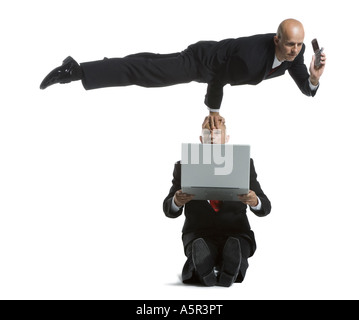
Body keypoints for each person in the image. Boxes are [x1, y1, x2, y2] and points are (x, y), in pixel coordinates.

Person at [40, 19, 326, 125]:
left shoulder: (298, 53)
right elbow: (219, 79)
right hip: (202, 62)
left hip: (215, 60)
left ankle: (100, 65)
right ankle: (74, 71)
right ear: (277, 40)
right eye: (290, 44)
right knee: (146, 75)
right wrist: (213, 112)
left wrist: (313, 79)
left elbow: (303, 82)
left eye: (299, 44)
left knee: (147, 65)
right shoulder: (252, 59)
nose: (295, 50)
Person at [162, 116, 271, 287]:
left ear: (226, 139)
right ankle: (206, 268)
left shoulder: (244, 164)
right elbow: (168, 209)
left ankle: (227, 269)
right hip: (199, 234)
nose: (212, 136)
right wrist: (176, 201)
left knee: (236, 248)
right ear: (200, 139)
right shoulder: (184, 166)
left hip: (236, 233)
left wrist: (254, 200)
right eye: (207, 133)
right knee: (201, 249)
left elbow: (265, 206)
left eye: (217, 133)